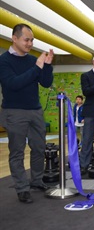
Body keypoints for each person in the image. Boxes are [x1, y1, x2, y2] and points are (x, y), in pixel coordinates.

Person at [0, 23, 54, 203]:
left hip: (35, 110)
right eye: (26, 39)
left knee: (39, 148)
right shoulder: (4, 61)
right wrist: (37, 68)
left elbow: (46, 83)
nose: (30, 43)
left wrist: (46, 66)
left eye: (32, 40)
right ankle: (22, 188)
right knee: (17, 151)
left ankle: (37, 180)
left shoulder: (33, 61)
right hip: (14, 111)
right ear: (14, 38)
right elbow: (13, 84)